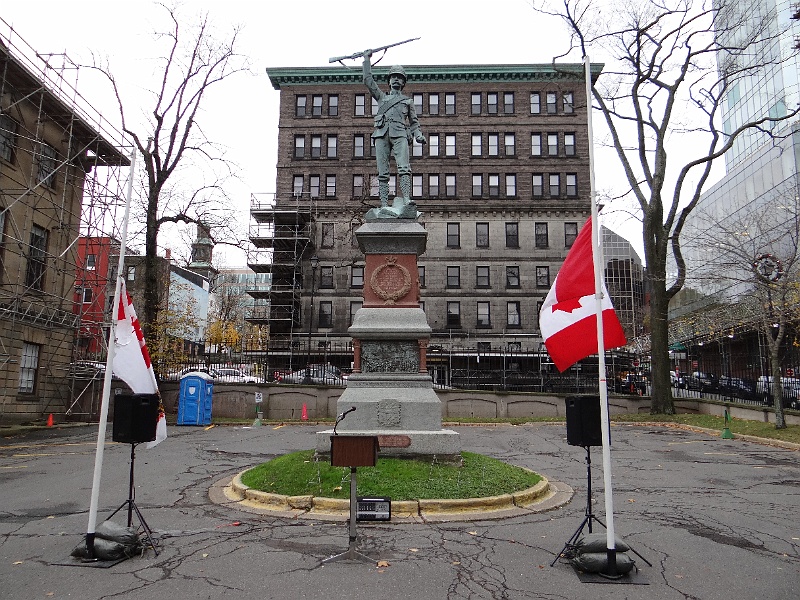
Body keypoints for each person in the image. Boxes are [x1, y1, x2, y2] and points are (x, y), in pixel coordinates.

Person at [363, 48, 426, 218]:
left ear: (403, 82)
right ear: (389, 81)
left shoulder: (408, 101)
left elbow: (414, 122)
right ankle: (384, 205)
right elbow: (368, 80)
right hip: (381, 134)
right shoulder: (381, 98)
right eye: (393, 77)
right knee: (382, 172)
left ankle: (406, 199)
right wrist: (366, 60)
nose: (396, 79)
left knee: (404, 168)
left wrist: (418, 135)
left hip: (400, 134)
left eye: (399, 77)